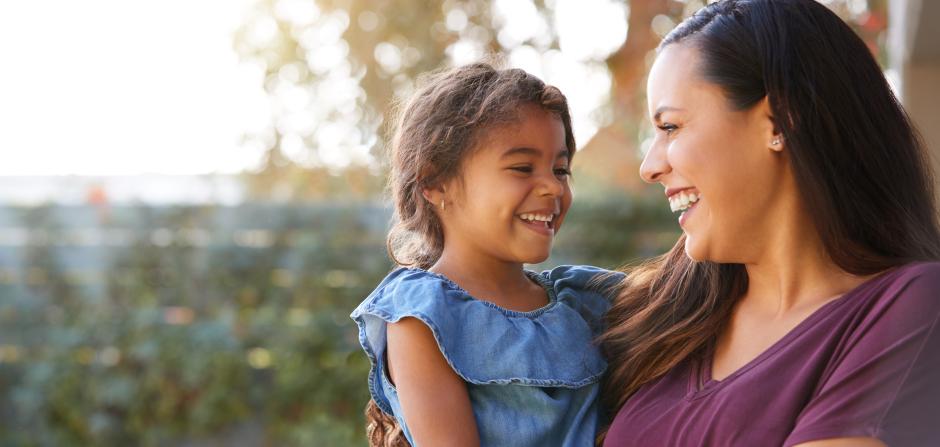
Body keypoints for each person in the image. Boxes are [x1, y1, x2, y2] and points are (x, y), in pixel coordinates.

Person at [599, 1, 940, 446]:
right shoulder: (653, 312)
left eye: (671, 127)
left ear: (779, 119)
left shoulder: (911, 307)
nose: (649, 166)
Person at [350, 63, 618, 446]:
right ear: (435, 182)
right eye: (523, 168)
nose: (553, 188)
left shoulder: (588, 299)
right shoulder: (422, 318)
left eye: (560, 170)